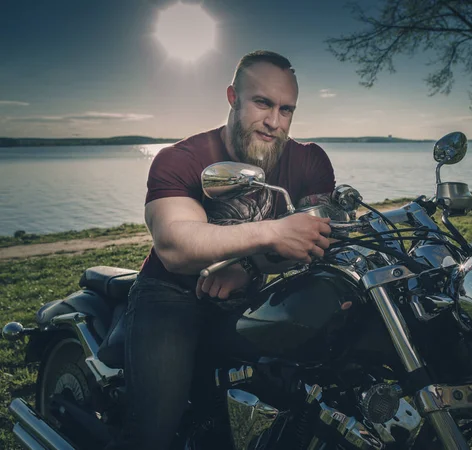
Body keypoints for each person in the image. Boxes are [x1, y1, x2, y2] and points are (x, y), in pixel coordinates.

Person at [113, 50, 336, 449]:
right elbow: (176, 245)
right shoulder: (180, 159)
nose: (274, 121)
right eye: (262, 102)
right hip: (171, 293)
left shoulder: (310, 160)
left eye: (286, 110)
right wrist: (270, 234)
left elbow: (312, 239)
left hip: (254, 292)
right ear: (233, 97)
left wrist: (248, 266)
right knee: (154, 431)